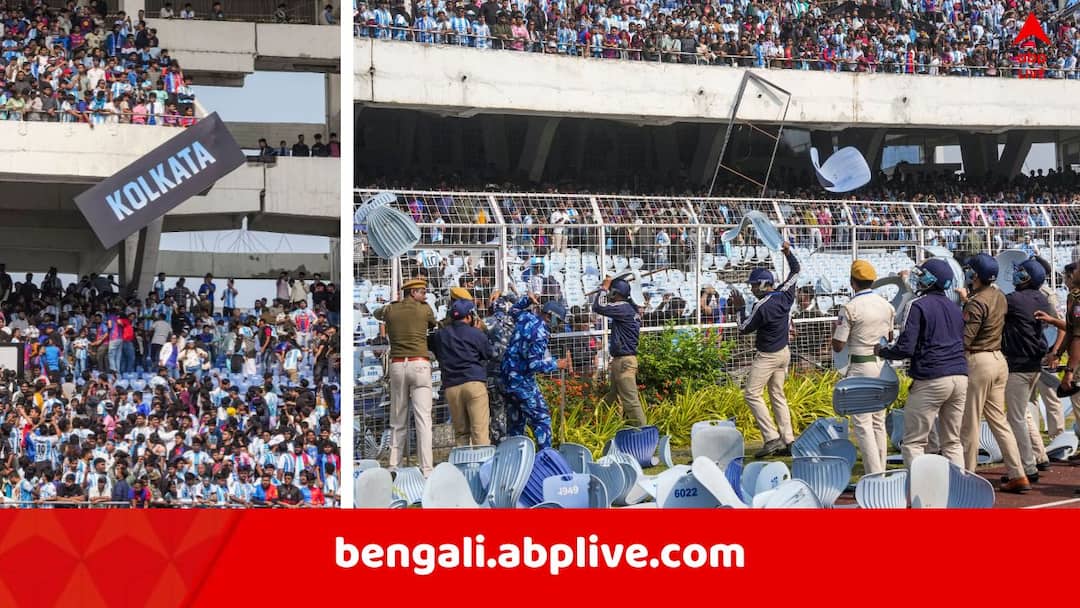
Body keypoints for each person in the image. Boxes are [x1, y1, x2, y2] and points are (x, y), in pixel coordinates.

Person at [877, 259, 968, 468]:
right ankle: (960, 489)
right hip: (960, 376)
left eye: (921, 275)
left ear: (930, 280)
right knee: (952, 441)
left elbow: (906, 347)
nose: (917, 279)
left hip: (932, 377)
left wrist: (882, 350)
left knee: (914, 443)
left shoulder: (916, 305)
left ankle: (920, 493)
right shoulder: (954, 308)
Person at [956, 253, 1028, 492]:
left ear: (975, 275)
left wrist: (965, 305)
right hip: (999, 360)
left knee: (970, 422)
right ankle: (1018, 473)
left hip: (979, 360)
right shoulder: (999, 295)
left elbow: (966, 338)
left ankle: (967, 477)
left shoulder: (976, 302)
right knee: (999, 421)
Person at [729, 240, 800, 458]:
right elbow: (796, 271)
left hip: (768, 355)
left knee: (752, 394)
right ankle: (789, 439)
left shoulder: (762, 305)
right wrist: (787, 252)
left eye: (753, 285)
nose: (751, 289)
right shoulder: (784, 296)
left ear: (761, 284)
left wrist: (739, 308)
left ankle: (771, 438)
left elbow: (743, 328)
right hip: (784, 353)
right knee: (777, 395)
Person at [831, 260, 894, 474]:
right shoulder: (886, 305)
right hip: (882, 366)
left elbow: (838, 345)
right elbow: (891, 336)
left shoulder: (850, 307)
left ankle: (874, 473)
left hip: (860, 366)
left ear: (852, 282)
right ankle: (881, 470)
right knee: (878, 421)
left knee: (862, 424)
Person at [373, 278, 436, 476]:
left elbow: (377, 314)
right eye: (422, 291)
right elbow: (433, 323)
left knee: (397, 419)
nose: (425, 295)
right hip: (420, 363)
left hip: (398, 364)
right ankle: (426, 469)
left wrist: (392, 305)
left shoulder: (391, 310)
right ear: (413, 293)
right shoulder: (424, 309)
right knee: (423, 420)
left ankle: (394, 465)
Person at [1002, 256, 1055, 481]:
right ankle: (1039, 455)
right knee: (1023, 412)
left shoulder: (1013, 299)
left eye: (1020, 272)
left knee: (1016, 418)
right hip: (1034, 364)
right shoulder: (1043, 300)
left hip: (1018, 365)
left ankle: (1028, 467)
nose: (1015, 275)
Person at [499, 297, 569, 449]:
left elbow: (513, 310)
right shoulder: (540, 333)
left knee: (516, 424)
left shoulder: (526, 317)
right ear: (549, 316)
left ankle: (515, 460)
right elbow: (534, 364)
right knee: (542, 419)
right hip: (521, 382)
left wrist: (526, 300)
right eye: (558, 321)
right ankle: (546, 459)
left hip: (506, 378)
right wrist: (556, 364)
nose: (558, 326)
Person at [430, 300, 492, 446]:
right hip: (474, 382)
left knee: (461, 433)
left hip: (452, 386)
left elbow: (433, 345)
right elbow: (489, 353)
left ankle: (462, 466)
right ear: (469, 316)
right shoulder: (475, 333)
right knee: (479, 431)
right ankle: (483, 466)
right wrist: (481, 333)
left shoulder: (440, 335)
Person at [592, 275, 647, 426]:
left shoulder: (623, 307)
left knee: (631, 401)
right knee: (612, 397)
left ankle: (644, 434)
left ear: (615, 293)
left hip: (624, 362)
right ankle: (600, 425)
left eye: (611, 292)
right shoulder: (629, 308)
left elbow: (598, 307)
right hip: (621, 361)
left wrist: (604, 287)